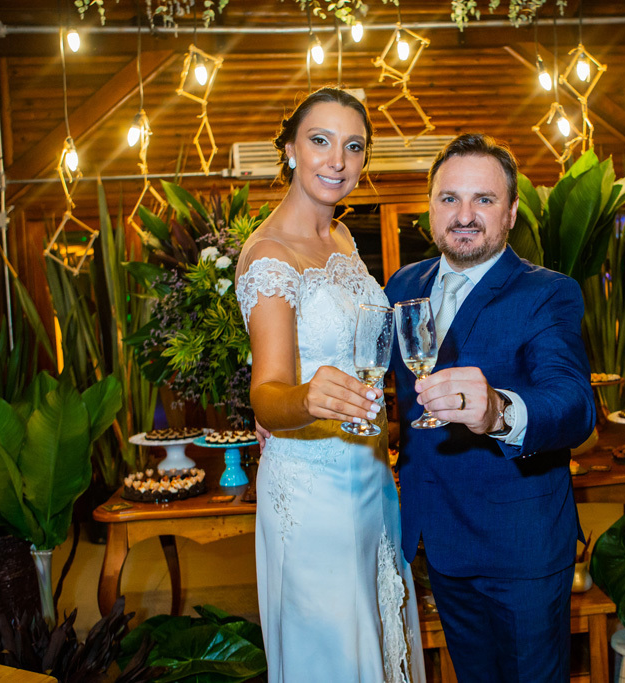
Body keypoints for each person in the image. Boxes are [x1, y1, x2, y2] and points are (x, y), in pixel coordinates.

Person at [384, 133, 595, 682]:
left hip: (521, 547)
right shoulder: (403, 285)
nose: (465, 215)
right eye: (449, 198)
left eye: (484, 199)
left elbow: (573, 403)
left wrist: (498, 411)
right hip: (441, 544)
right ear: (430, 207)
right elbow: (370, 369)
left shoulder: (547, 292)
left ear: (512, 212)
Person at [234, 87, 425, 683]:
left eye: (353, 146)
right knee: (337, 655)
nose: (336, 159)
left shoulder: (342, 238)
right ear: (290, 149)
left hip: (370, 476)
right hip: (314, 493)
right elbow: (265, 393)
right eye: (319, 140)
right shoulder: (269, 257)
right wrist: (305, 398)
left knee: (381, 634)